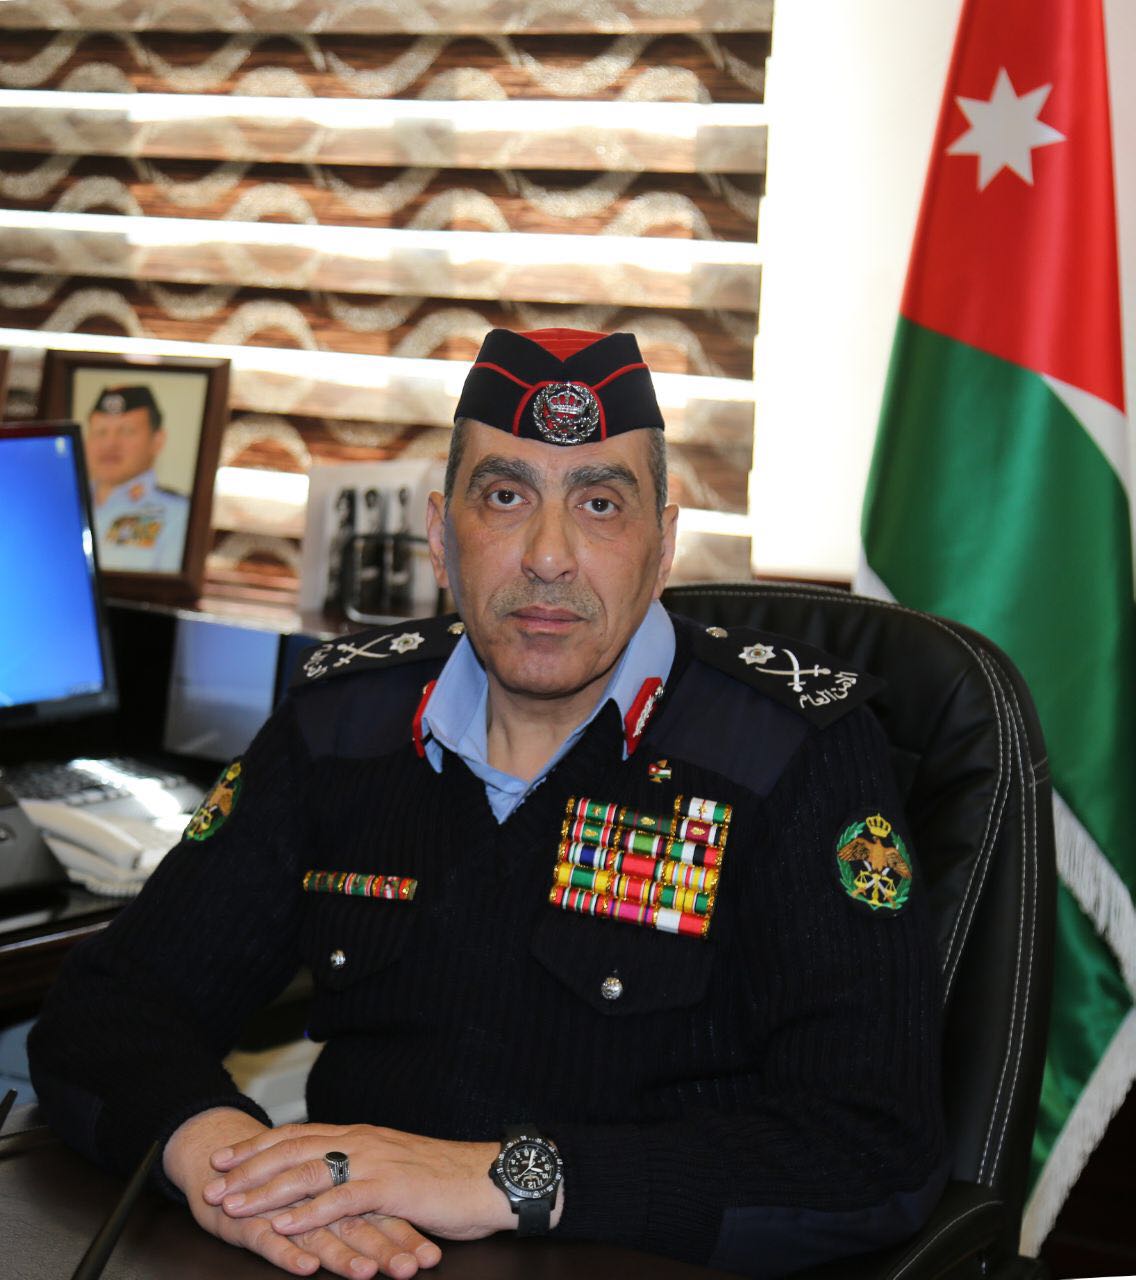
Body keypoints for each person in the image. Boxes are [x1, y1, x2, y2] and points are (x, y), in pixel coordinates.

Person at [29, 328, 948, 1279]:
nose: (548, 556)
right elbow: (109, 1009)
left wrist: (506, 1180)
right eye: (506, 497)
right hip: (352, 1258)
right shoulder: (343, 724)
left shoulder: (790, 752)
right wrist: (228, 1166)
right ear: (440, 535)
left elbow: (873, 1146)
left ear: (663, 543)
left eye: (600, 504)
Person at [85, 383, 189, 573]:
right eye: (100, 432)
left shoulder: (179, 516)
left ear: (157, 441)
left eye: (126, 431)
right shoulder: (62, 504)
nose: (110, 444)